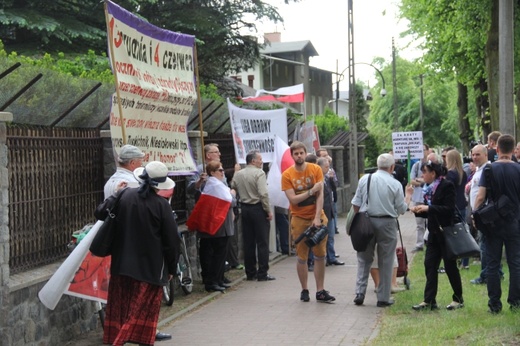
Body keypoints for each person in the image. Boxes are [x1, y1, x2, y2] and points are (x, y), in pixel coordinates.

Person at [103, 161, 180, 346]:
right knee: (142, 312)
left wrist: (116, 195)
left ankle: (117, 339)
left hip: (121, 265)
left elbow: (100, 212)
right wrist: (171, 267)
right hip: (150, 269)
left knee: (122, 309)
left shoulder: (125, 196)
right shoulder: (162, 206)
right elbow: (172, 241)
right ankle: (122, 341)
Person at [351, 153, 411, 308]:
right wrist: (408, 198)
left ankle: (359, 292)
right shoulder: (395, 183)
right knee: (386, 260)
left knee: (364, 258)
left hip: (366, 222)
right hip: (387, 223)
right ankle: (383, 297)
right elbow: (401, 208)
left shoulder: (365, 179)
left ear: (377, 165)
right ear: (392, 167)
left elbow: (356, 205)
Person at [282, 141, 335, 303]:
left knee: (320, 255)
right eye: (295, 154)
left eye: (301, 153)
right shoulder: (287, 175)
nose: (299, 156)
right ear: (292, 156)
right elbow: (293, 199)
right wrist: (311, 191)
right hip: (299, 219)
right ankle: (304, 289)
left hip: (318, 218)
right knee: (302, 257)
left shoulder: (316, 169)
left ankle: (320, 290)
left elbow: (321, 196)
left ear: (306, 154)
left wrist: (317, 217)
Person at [474, 134, 520, 314]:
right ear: (512, 149)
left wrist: (474, 215)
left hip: (492, 223)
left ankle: (494, 304)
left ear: (497, 149)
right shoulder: (519, 169)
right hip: (515, 222)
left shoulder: (489, 170)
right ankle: (515, 302)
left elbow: (480, 196)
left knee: (492, 264)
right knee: (515, 263)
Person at [410, 160, 464, 311]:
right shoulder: (429, 188)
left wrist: (428, 208)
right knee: (430, 265)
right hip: (433, 233)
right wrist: (422, 211)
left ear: (433, 173)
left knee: (450, 266)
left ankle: (458, 298)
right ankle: (429, 301)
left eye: (425, 172)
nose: (422, 175)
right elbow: (433, 211)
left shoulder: (447, 185)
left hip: (446, 233)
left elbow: (448, 209)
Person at [231, 150, 275, 281]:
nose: (262, 162)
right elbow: (263, 193)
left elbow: (233, 186)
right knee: (262, 242)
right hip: (257, 208)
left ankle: (250, 272)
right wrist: (268, 210)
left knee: (248, 241)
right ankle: (262, 272)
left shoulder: (239, 174)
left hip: (245, 208)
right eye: (260, 159)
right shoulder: (259, 173)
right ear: (253, 161)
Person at [197, 161, 236, 292]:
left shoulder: (218, 183)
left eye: (223, 170)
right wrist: (233, 194)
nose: (223, 172)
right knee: (217, 254)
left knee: (221, 254)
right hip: (219, 226)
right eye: (220, 170)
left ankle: (218, 279)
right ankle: (212, 281)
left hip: (223, 225)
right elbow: (230, 202)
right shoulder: (214, 185)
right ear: (212, 172)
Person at [317, 157, 344, 266]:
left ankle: (331, 257)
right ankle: (323, 257)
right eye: (326, 167)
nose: (328, 170)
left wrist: (332, 179)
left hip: (330, 210)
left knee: (331, 236)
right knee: (323, 237)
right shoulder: (317, 180)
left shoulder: (327, 178)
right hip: (323, 211)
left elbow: (334, 189)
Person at [445, 149, 469, 269]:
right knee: (463, 233)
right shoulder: (462, 173)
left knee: (452, 234)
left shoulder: (450, 174)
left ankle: (453, 258)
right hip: (462, 205)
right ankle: (465, 261)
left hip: (453, 205)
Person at [410, 144, 429, 252]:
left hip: (428, 198)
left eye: (423, 150)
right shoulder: (416, 166)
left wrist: (420, 180)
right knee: (419, 223)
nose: (422, 152)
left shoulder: (432, 164)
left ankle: (429, 242)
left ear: (427, 151)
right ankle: (419, 244)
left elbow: (433, 180)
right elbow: (411, 180)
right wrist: (422, 181)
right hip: (418, 198)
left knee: (429, 222)